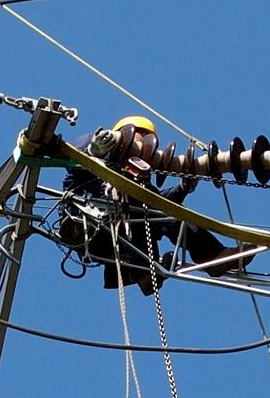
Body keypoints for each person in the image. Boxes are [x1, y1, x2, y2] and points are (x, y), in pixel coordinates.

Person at [59, 115, 234, 293]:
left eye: (147, 137)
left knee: (170, 213)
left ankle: (211, 257)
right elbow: (74, 158)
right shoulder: (98, 149)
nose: (142, 141)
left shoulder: (137, 177)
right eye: (139, 134)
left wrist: (182, 188)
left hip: (122, 233)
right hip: (88, 225)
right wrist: (94, 149)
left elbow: (158, 202)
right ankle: (142, 272)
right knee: (143, 203)